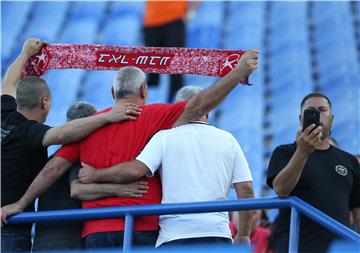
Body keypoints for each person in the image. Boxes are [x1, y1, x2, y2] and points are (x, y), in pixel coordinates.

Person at [1, 49, 259, 249]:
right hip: (146, 225)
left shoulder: (87, 126)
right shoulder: (159, 117)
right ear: (145, 91)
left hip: (97, 230)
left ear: (112, 91)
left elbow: (54, 167)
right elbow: (199, 104)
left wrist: (21, 203)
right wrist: (235, 74)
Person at [1, 38, 142, 253]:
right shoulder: (29, 133)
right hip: (9, 228)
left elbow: (9, 83)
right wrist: (106, 118)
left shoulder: (3, 113)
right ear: (45, 102)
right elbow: (61, 134)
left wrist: (24, 54)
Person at [77, 86, 255, 247]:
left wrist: (95, 175)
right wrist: (244, 234)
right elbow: (246, 189)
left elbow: (134, 170)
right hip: (216, 233)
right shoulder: (228, 140)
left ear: (178, 109)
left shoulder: (164, 137)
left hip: (174, 235)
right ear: (207, 112)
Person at [32, 101, 149, 251]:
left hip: (43, 240)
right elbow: (77, 190)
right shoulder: (77, 158)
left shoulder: (52, 159)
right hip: (69, 241)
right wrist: (121, 190)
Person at [266, 92, 360, 252]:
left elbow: (358, 210)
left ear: (332, 118)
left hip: (338, 248)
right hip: (296, 247)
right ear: (300, 119)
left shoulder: (349, 161)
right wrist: (302, 151)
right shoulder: (284, 152)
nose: (317, 114)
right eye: (311, 111)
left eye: (322, 110)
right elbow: (281, 189)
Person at [143, 0, 199, 102]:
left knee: (176, 69)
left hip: (175, 19)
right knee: (152, 70)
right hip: (151, 22)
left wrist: (190, 12)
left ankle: (176, 108)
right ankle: (150, 109)